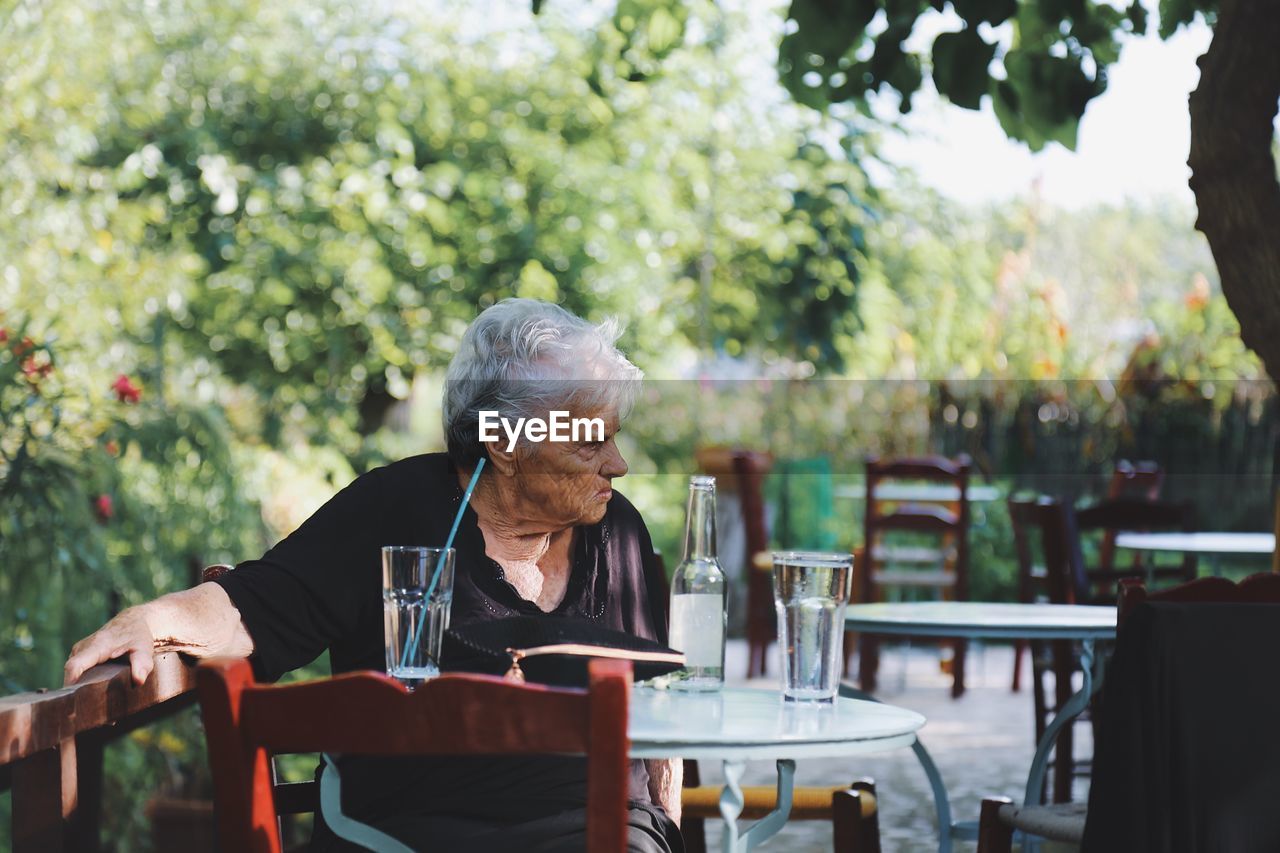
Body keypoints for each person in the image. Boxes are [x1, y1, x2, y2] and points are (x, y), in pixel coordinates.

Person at [64, 298, 683, 852]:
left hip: (603, 831)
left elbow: (662, 732)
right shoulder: (394, 511)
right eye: (589, 442)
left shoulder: (617, 531)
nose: (619, 464)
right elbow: (255, 604)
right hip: (413, 832)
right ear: (506, 444)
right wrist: (153, 619)